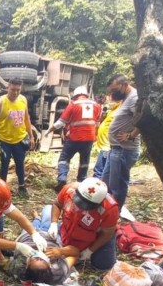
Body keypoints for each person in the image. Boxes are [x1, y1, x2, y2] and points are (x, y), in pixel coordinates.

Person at [47, 178, 119, 271]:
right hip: (67, 229)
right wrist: (53, 223)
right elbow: (57, 204)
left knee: (102, 265)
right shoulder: (69, 189)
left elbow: (107, 233)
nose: (81, 208)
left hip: (94, 237)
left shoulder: (110, 208)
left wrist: (90, 250)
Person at [1, 205, 80, 285]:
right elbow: (76, 253)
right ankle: (40, 219)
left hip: (27, 236)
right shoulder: (57, 271)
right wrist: (61, 251)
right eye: (42, 259)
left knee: (32, 226)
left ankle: (37, 218)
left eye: (35, 259)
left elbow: (1, 262)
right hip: (49, 234)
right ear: (50, 265)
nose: (39, 256)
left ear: (27, 264)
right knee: (49, 208)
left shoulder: (20, 268)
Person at [46, 86, 102, 193]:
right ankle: (81, 181)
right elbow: (97, 123)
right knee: (84, 161)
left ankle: (62, 179)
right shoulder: (96, 105)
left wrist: (50, 130)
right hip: (89, 138)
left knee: (64, 159)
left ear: (75, 95)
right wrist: (95, 135)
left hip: (74, 138)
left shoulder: (73, 104)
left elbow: (61, 122)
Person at [0, 78, 35, 197]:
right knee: (4, 164)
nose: (15, 92)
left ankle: (21, 187)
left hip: (19, 139)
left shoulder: (23, 100)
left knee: (20, 163)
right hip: (4, 140)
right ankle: (2, 189)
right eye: (13, 89)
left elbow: (27, 118)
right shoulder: (0, 103)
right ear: (8, 87)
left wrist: (31, 136)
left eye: (18, 90)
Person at [102, 74, 140, 209]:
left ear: (125, 85)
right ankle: (105, 213)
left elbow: (143, 118)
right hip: (116, 149)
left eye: (115, 90)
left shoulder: (134, 97)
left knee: (117, 187)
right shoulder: (126, 98)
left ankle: (114, 216)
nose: (113, 94)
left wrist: (131, 135)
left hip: (124, 150)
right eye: (111, 91)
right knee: (105, 184)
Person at [93, 96, 123, 179]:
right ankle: (99, 176)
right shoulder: (113, 109)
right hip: (104, 141)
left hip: (107, 142)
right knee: (103, 161)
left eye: (111, 97)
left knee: (101, 164)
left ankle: (98, 178)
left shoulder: (120, 108)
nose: (109, 99)